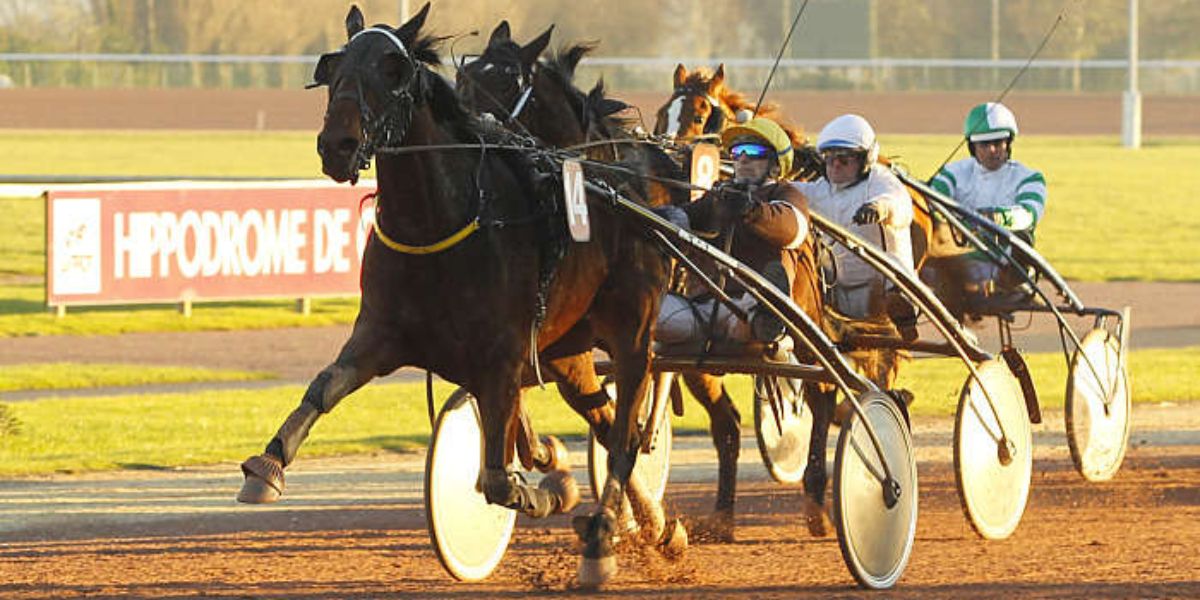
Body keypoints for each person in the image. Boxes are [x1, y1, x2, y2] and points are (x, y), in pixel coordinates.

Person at [655, 116, 813, 353]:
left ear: (775, 166)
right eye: (737, 152)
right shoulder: (718, 196)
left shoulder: (786, 194)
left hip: (747, 306)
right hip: (700, 311)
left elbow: (793, 231)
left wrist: (752, 211)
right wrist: (655, 216)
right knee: (646, 308)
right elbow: (681, 219)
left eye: (754, 151)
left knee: (754, 309)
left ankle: (767, 321)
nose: (743, 158)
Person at [792, 114, 915, 325]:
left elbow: (898, 202)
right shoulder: (820, 189)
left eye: (844, 159)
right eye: (829, 158)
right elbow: (789, 191)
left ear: (865, 160)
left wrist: (880, 208)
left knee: (893, 269)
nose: (835, 165)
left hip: (878, 286)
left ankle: (902, 312)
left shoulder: (880, 180)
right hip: (835, 286)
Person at [929, 102, 1046, 312]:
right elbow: (932, 200)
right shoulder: (953, 173)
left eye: (998, 143)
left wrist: (992, 217)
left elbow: (1029, 215)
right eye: (984, 144)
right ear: (972, 147)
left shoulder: (1029, 178)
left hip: (1004, 264)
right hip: (956, 260)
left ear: (1008, 142)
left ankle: (1010, 286)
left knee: (1022, 237)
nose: (992, 150)